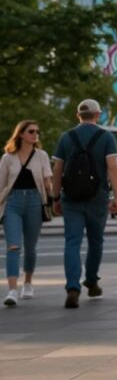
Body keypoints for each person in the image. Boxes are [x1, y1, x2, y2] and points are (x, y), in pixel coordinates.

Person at [52, 99, 117, 309]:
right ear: (98, 115)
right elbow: (112, 168)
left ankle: (72, 287)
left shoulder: (66, 137)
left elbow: (57, 170)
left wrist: (55, 197)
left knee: (72, 242)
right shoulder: (106, 136)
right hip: (97, 197)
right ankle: (91, 281)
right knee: (95, 241)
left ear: (78, 115)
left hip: (71, 198)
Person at [0, 121, 52, 307]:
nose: (35, 134)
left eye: (37, 131)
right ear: (21, 134)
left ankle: (28, 282)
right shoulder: (7, 158)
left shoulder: (42, 156)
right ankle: (12, 290)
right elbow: (1, 185)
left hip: (34, 202)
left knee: (31, 247)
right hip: (12, 202)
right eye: (31, 131)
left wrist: (51, 199)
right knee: (13, 246)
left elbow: (47, 182)